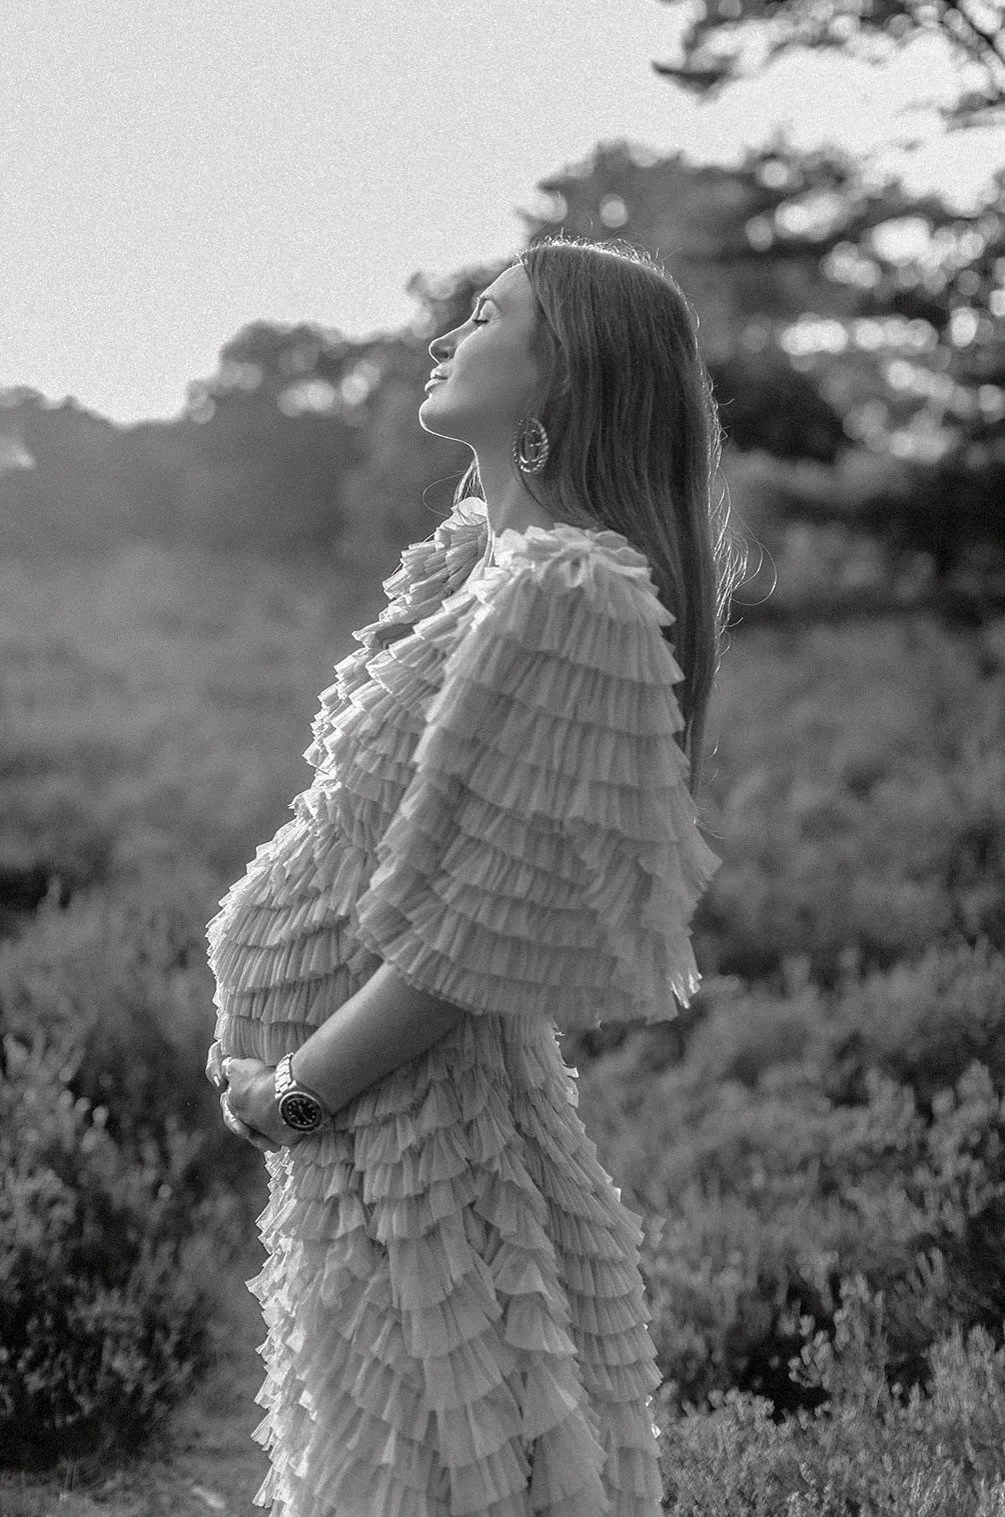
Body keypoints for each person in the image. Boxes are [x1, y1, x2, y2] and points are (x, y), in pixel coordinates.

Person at [205, 235, 739, 1517]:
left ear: (565, 375)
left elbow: (465, 941)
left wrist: (296, 1091)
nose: (447, 338)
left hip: (425, 1140)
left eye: (488, 316)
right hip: (373, 1144)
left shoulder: (572, 591)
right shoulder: (485, 563)